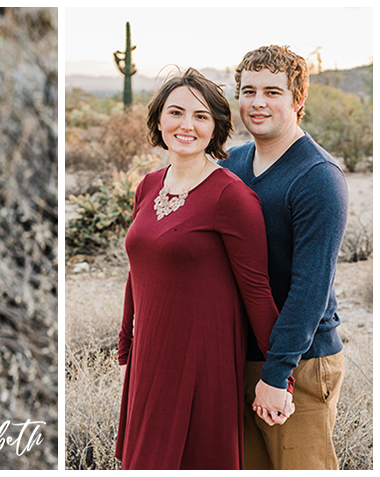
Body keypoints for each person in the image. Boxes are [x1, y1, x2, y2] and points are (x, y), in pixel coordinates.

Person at [115, 68, 294, 469]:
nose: (186, 126)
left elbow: (257, 291)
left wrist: (281, 376)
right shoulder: (148, 185)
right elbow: (136, 274)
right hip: (149, 358)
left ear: (215, 129)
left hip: (202, 362)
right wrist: (127, 351)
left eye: (200, 117)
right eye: (176, 112)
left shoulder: (231, 196)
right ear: (158, 119)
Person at [220, 45, 348, 470]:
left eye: (272, 92)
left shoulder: (317, 177)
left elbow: (310, 288)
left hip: (300, 362)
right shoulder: (233, 164)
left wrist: (278, 374)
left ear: (298, 100)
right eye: (248, 90)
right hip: (243, 354)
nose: (258, 103)